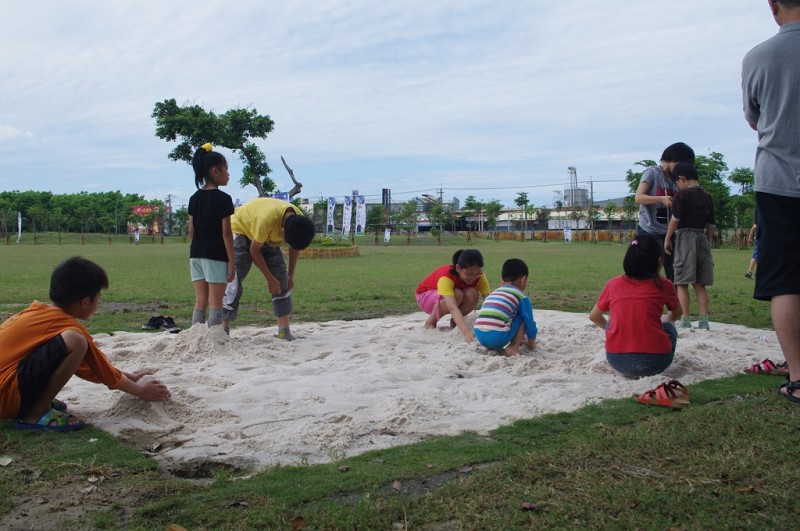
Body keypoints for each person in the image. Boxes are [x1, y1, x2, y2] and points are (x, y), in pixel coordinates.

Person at [0, 257, 171, 431]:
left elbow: (86, 367)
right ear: (84, 302)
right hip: (5, 396)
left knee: (72, 343)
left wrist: (128, 377)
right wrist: (141, 391)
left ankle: (37, 400)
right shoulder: (68, 327)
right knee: (77, 341)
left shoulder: (37, 312)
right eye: (98, 298)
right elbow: (102, 369)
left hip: (8, 387)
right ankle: (36, 414)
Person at [742, 0, 800, 403]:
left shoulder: (759, 57)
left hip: (780, 181)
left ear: (773, 5)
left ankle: (797, 374)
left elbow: (754, 118)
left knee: (785, 281)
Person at [221, 197, 316, 340]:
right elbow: (254, 251)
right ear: (282, 231)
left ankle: (284, 331)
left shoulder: (299, 222)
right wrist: (270, 279)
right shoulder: (266, 219)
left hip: (265, 237)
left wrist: (290, 275)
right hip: (240, 229)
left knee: (282, 279)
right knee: (234, 279)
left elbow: (294, 248)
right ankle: (223, 330)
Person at [589, 234, 681, 378]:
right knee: (668, 323)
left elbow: (594, 316)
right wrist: (667, 319)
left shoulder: (613, 284)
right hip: (656, 362)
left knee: (615, 320)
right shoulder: (664, 284)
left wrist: (610, 328)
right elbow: (676, 313)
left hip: (617, 360)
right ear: (659, 261)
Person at [664, 162, 716, 330]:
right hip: (701, 238)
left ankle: (685, 319)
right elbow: (711, 224)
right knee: (700, 283)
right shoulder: (707, 196)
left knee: (682, 282)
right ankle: (704, 320)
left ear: (682, 179)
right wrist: (707, 241)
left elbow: (675, 219)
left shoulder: (682, 195)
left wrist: (667, 238)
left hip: (685, 238)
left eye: (677, 183)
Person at [188, 143, 235, 328]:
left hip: (196, 253)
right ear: (215, 171)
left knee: (200, 301)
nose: (228, 174)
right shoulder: (224, 199)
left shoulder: (194, 198)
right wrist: (231, 262)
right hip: (216, 254)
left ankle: (196, 337)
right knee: (216, 302)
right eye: (226, 169)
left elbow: (191, 232)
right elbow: (226, 233)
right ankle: (215, 339)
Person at [634, 142, 696, 281]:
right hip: (649, 231)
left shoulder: (677, 179)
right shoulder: (652, 173)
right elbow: (638, 197)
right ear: (673, 160)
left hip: (669, 232)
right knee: (646, 270)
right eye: (682, 164)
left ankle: (674, 301)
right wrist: (661, 199)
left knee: (674, 272)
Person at [416, 249, 490, 343]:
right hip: (425, 297)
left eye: (477, 273)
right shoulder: (446, 277)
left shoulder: (479, 277)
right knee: (458, 294)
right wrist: (466, 332)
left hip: (451, 296)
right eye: (469, 274)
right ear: (458, 268)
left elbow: (489, 300)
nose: (473, 278)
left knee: (472, 294)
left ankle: (454, 322)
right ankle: (431, 322)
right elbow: (452, 307)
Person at [473, 258, 537, 356]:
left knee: (504, 314)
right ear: (523, 280)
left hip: (479, 335)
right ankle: (513, 347)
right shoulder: (522, 297)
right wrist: (531, 343)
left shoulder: (494, 293)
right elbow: (530, 323)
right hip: (497, 337)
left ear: (502, 280)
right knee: (523, 316)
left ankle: (491, 346)